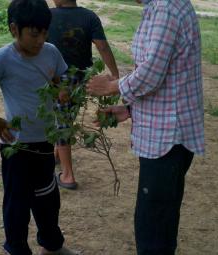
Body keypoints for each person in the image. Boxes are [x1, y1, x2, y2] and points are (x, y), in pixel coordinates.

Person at [0, 0, 78, 254]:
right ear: (15, 29)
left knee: (48, 198)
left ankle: (52, 246)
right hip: (16, 146)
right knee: (17, 205)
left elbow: (59, 81)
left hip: (45, 141)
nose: (40, 40)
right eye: (34, 34)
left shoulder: (51, 52)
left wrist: (63, 91)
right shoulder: (2, 58)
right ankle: (16, 249)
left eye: (45, 33)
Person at [86, 0, 205, 254]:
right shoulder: (157, 7)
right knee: (158, 219)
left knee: (153, 226)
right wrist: (129, 109)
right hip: (163, 132)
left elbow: (151, 73)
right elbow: (169, 74)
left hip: (168, 138)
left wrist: (110, 86)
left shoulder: (166, 7)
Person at [48, 0, 119, 189]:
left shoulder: (48, 15)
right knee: (66, 119)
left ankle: (68, 176)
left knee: (62, 123)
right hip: (81, 79)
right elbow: (102, 46)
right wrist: (115, 74)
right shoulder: (89, 16)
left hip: (56, 79)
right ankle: (56, 154)